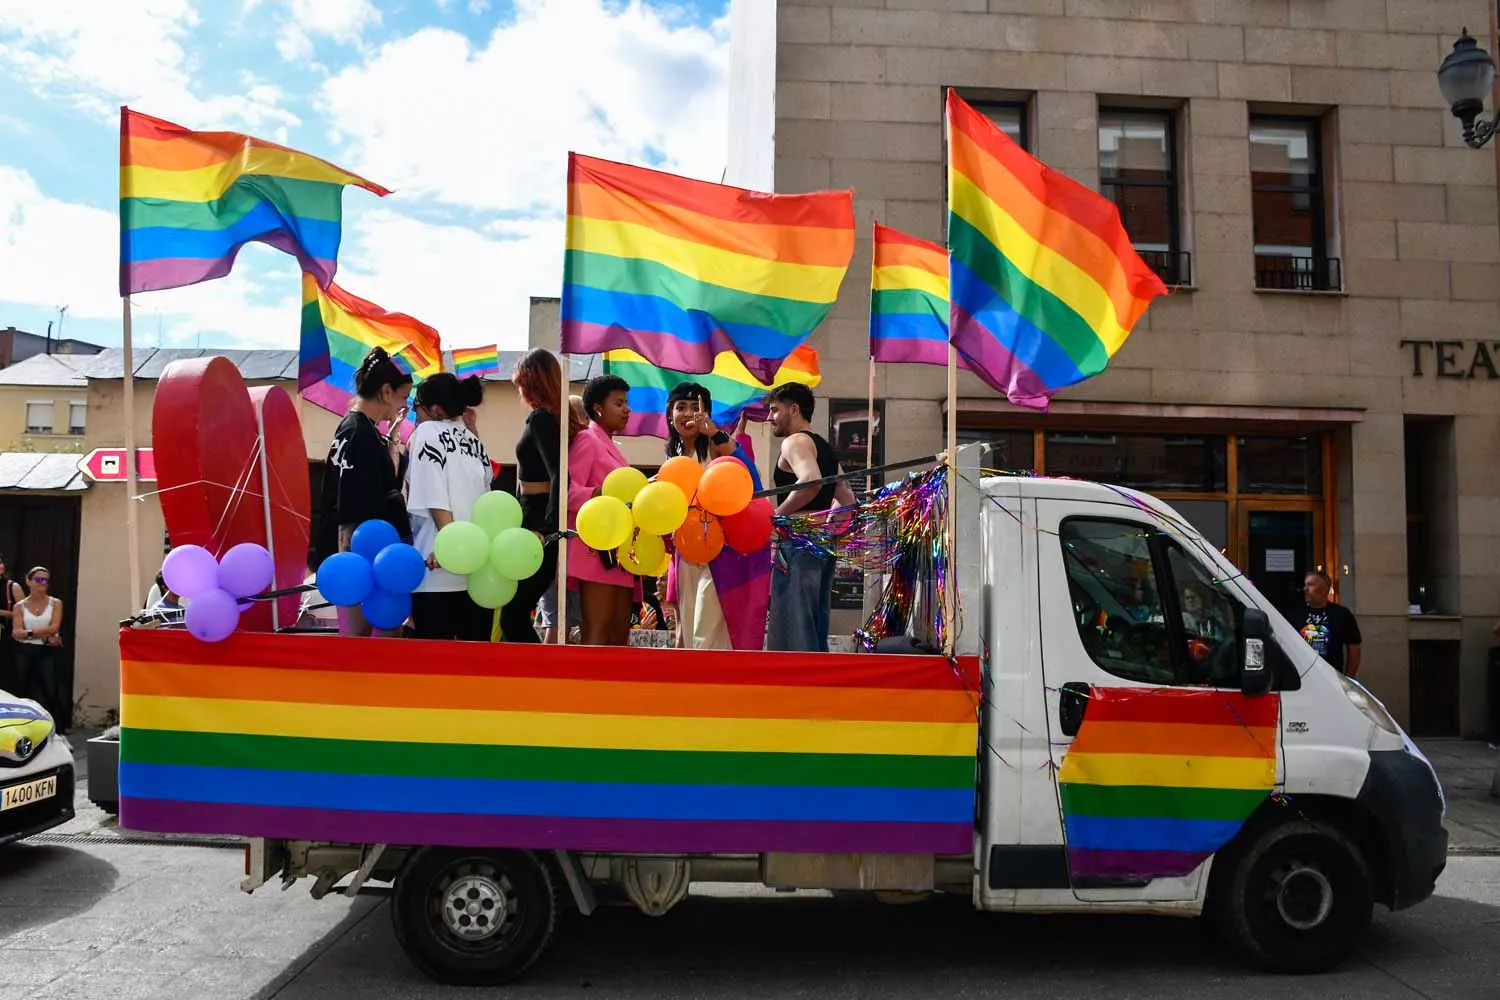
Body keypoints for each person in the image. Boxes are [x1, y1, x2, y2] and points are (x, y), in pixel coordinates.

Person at [312, 347, 414, 637]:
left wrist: (392, 438)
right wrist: (347, 561)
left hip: (376, 552)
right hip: (363, 555)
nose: (403, 406)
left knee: (379, 633)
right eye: (402, 396)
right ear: (385, 391)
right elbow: (349, 502)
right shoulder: (358, 433)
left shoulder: (361, 429)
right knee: (360, 639)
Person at [659, 384, 770, 650]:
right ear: (670, 414)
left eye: (695, 408)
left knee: (706, 634)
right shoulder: (672, 458)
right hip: (686, 553)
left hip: (720, 555)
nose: (688, 414)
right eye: (681, 407)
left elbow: (751, 480)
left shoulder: (716, 447)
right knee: (688, 632)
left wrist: (715, 433)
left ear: (706, 414)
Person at [498, 353, 585, 642]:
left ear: (528, 382)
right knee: (515, 613)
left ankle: (533, 676)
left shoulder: (540, 419)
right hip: (532, 521)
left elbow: (561, 475)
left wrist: (548, 528)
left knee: (513, 613)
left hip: (536, 524)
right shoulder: (550, 418)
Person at [765, 384, 855, 653]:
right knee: (815, 620)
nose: (770, 417)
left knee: (794, 621)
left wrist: (777, 517)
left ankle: (793, 687)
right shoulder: (824, 447)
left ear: (794, 409)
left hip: (797, 542)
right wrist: (827, 530)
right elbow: (847, 498)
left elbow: (811, 481)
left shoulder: (794, 441)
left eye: (775, 410)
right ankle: (814, 687)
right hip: (821, 546)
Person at [405, 372, 493, 641]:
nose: (413, 412)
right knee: (473, 668)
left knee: (433, 667)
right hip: (477, 567)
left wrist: (450, 546)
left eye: (416, 405)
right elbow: (486, 495)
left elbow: (435, 494)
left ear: (435, 409)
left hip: (437, 565)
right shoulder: (474, 440)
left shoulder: (427, 432)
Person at [568, 374, 638, 646]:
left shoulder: (612, 446)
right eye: (618, 403)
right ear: (598, 408)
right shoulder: (587, 439)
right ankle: (588, 688)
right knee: (597, 635)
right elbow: (569, 492)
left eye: (626, 403)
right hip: (596, 551)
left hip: (621, 552)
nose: (627, 409)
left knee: (619, 636)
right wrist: (604, 494)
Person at [12, 566, 66, 730]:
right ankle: (23, 727)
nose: (42, 583)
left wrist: (29, 633)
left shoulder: (55, 603)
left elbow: (54, 627)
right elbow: (16, 632)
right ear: (28, 581)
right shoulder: (20, 606)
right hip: (24, 651)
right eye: (38, 579)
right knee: (22, 688)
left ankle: (58, 730)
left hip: (45, 650)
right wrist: (41, 634)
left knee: (50, 689)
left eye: (46, 580)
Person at [1289, 570, 1362, 677]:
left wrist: (1349, 678)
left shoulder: (1341, 614)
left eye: (1311, 585)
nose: (1305, 589)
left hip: (1331, 677)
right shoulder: (1295, 614)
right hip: (1302, 676)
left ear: (1324, 590)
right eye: (1305, 585)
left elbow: (1354, 647)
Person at [0, 554, 21, 694]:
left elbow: (25, 614)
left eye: (0, 562)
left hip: (5, 639)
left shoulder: (12, 586)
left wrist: (1, 613)